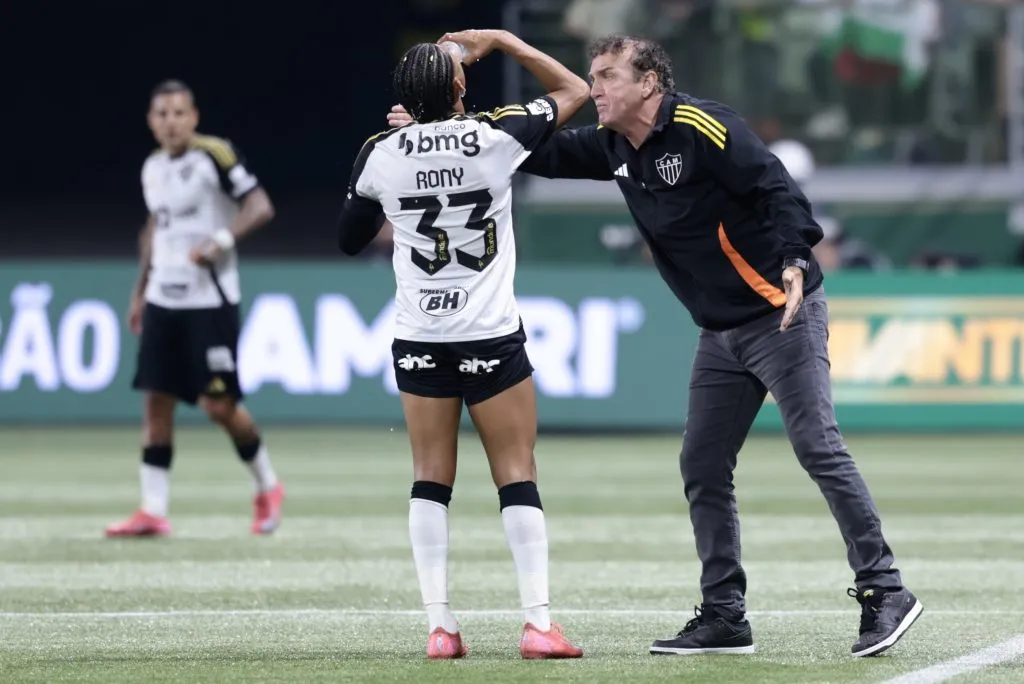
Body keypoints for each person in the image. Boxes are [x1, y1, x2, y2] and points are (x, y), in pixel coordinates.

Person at [387, 33, 922, 659]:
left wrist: (798, 256)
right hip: (720, 332)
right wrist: (440, 125)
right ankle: (725, 615)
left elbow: (774, 187)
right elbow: (529, 152)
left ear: (650, 83)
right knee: (701, 466)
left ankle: (886, 589)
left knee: (816, 445)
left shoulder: (701, 125)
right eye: (593, 75)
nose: (595, 89)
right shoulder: (614, 145)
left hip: (782, 314)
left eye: (608, 76)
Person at [336, 31, 589, 660]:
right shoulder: (495, 135)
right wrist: (502, 41)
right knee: (516, 473)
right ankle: (537, 625)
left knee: (429, 477)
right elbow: (574, 90)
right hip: (489, 333)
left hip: (419, 333)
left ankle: (441, 628)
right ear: (460, 87)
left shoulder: (379, 150)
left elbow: (349, 237)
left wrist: (403, 154)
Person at [105, 80, 284, 538]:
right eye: (162, 114)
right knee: (156, 402)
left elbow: (260, 205)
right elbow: (153, 228)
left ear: (194, 116)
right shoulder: (151, 167)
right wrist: (140, 289)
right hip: (164, 298)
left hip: (210, 300)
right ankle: (153, 509)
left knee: (219, 405)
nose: (171, 122)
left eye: (179, 113)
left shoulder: (215, 155)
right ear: (151, 121)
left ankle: (267, 485)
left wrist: (219, 241)